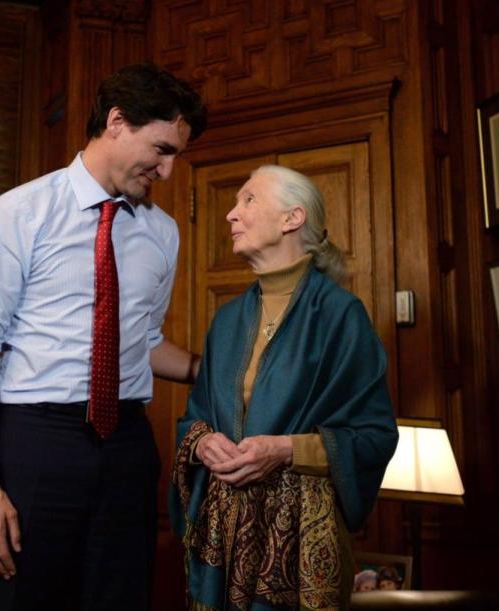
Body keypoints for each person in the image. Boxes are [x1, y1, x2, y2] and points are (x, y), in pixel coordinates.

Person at [0, 62, 207, 610]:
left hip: (129, 449)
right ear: (116, 121)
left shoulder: (162, 233)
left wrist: (206, 369)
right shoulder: (21, 212)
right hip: (36, 444)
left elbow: (141, 340)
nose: (166, 171)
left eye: (175, 155)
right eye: (161, 149)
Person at [169, 165, 398, 610]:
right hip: (221, 543)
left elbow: (374, 436)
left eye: (248, 200)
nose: (231, 215)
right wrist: (202, 443)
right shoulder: (228, 320)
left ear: (291, 219)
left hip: (299, 548)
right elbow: (192, 419)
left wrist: (286, 450)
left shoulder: (341, 316)